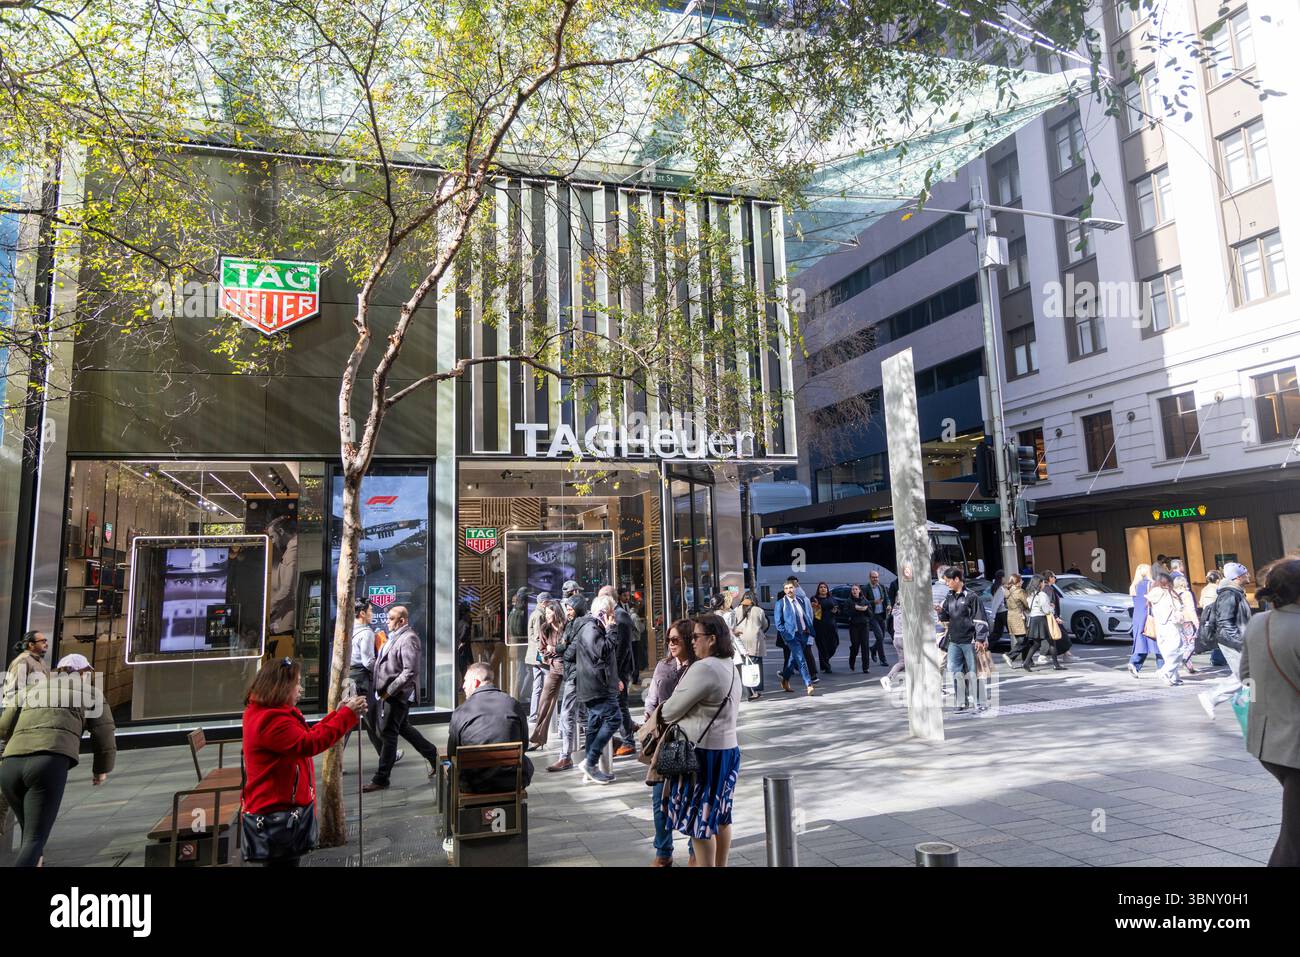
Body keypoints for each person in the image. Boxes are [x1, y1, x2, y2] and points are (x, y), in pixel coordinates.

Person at [239, 657, 364, 866]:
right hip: (277, 813)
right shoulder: (271, 720)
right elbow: (309, 743)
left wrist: (338, 714)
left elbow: (305, 735)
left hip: (279, 808)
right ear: (281, 686)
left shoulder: (269, 713)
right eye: (296, 682)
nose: (301, 688)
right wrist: (346, 716)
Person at [0, 653, 116, 867]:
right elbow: (104, 733)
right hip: (48, 764)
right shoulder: (90, 694)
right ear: (82, 674)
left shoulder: (31, 690)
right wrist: (101, 769)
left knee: (31, 834)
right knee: (35, 839)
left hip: (10, 765)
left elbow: (3, 727)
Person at [661, 613, 741, 867]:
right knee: (721, 816)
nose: (692, 642)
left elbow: (670, 710)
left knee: (700, 819)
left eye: (696, 637)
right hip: (728, 749)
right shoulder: (729, 664)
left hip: (703, 753)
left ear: (713, 639)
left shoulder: (704, 667)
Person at [1238, 558, 1300, 866]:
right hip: (1297, 746)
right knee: (1294, 842)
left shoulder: (1258, 623)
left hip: (1268, 743)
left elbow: (1245, 676)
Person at [364, 605, 441, 792]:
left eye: (390, 618)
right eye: (388, 617)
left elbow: (410, 671)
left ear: (402, 621)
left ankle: (382, 778)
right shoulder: (394, 637)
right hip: (389, 693)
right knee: (403, 729)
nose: (386, 621)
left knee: (388, 734)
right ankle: (435, 757)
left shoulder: (409, 638)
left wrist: (388, 691)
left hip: (397, 695)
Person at [643, 619, 695, 866]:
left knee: (691, 796)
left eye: (676, 640)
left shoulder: (698, 668)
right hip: (664, 741)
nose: (671, 644)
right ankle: (663, 851)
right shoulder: (663, 667)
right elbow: (652, 699)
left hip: (690, 740)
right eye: (669, 640)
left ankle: (695, 848)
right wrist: (649, 722)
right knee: (658, 798)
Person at [448, 662, 534, 792]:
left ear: (476, 682)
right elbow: (524, 744)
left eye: (465, 681)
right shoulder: (513, 704)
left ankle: (455, 811)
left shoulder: (461, 711)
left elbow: (452, 754)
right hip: (512, 781)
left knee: (450, 770)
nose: (463, 686)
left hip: (472, 784)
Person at [574, 594, 622, 785]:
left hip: (596, 684)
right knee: (614, 718)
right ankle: (591, 761)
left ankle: (590, 769)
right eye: (612, 613)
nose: (614, 617)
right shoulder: (591, 628)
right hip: (596, 686)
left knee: (594, 724)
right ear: (603, 613)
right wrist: (612, 629)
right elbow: (603, 651)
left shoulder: (592, 628)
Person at [1198, 562, 1253, 719]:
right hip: (1232, 641)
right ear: (1237, 577)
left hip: (1236, 640)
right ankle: (1213, 697)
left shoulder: (1236, 593)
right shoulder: (1229, 595)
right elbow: (1225, 623)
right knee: (1247, 675)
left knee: (1245, 674)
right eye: (1246, 573)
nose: (1249, 575)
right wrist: (1240, 643)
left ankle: (1249, 706)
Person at [937, 566, 989, 712]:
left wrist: (979, 638)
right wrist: (941, 612)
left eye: (948, 581)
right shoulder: (949, 596)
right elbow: (946, 617)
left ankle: (980, 702)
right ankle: (961, 702)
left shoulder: (971, 597)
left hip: (970, 640)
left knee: (973, 672)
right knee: (955, 671)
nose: (947, 584)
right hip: (954, 640)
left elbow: (980, 618)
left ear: (957, 579)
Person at [343, 600, 388, 761]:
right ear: (362, 613)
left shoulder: (348, 629)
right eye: (370, 610)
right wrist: (383, 668)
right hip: (362, 680)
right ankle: (386, 755)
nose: (373, 614)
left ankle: (336, 758)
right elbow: (368, 661)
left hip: (348, 678)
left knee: (346, 719)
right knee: (374, 719)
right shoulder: (367, 633)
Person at [546, 595, 587, 772]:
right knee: (582, 715)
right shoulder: (573, 624)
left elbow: (570, 651)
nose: (568, 612)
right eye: (567, 609)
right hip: (574, 674)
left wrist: (557, 648)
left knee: (567, 714)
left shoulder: (582, 624)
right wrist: (563, 646)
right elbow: (566, 644)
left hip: (577, 674)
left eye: (570, 609)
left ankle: (565, 756)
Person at [599, 585, 639, 757]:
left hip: (620, 670)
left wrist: (616, 675)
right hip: (616, 669)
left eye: (601, 597)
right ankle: (627, 732)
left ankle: (628, 741)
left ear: (609, 598)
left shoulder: (620, 616)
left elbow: (621, 649)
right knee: (618, 703)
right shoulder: (615, 614)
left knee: (620, 703)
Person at [528, 600, 566, 749]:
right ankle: (538, 738)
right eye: (546, 613)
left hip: (569, 667)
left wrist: (554, 648)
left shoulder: (566, 627)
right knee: (545, 700)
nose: (547, 615)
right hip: (555, 667)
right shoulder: (545, 628)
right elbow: (542, 648)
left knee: (577, 703)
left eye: (550, 613)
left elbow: (569, 647)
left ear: (556, 612)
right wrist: (550, 654)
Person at [774, 578, 817, 696]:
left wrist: (808, 630)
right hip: (791, 636)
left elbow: (806, 616)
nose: (789, 590)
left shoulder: (801, 600)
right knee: (801, 659)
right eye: (786, 588)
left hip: (803, 634)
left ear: (795, 588)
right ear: (784, 590)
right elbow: (778, 623)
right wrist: (787, 635)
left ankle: (785, 679)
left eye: (791, 588)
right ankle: (809, 684)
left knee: (793, 659)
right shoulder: (780, 603)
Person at [1146, 572, 1185, 686]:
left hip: (1159, 625)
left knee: (1168, 652)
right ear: (1166, 582)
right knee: (1178, 650)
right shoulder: (1166, 593)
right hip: (1171, 624)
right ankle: (1165, 672)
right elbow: (1176, 608)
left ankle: (1174, 677)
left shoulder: (1153, 593)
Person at [1127, 563, 1164, 677]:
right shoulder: (1151, 584)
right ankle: (1162, 669)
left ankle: (1134, 663)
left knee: (1141, 642)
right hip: (1150, 616)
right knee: (1158, 643)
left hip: (1138, 617)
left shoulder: (1133, 586)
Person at [731, 591, 767, 701]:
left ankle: (749, 690)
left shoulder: (736, 610)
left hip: (740, 641)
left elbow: (733, 624)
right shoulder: (759, 610)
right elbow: (764, 624)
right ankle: (755, 689)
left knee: (744, 667)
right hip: (755, 640)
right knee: (755, 665)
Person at [1025, 575, 1063, 672]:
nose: (1043, 584)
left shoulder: (1030, 594)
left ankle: (1026, 662)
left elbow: (1028, 608)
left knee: (1036, 643)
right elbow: (1046, 610)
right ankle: (1056, 665)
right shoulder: (1042, 595)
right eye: (1042, 582)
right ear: (1039, 583)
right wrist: (1052, 607)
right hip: (1042, 619)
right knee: (1051, 642)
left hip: (1033, 619)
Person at [1200, 570, 1231, 667]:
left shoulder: (1204, 589)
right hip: (1216, 615)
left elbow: (1201, 603)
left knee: (1213, 636)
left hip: (1206, 616)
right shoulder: (1218, 589)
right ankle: (1218, 658)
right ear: (1217, 580)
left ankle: (1215, 657)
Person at [1001, 574, 1032, 669]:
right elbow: (1027, 604)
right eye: (1021, 580)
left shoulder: (1007, 592)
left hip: (1010, 616)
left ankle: (1027, 661)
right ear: (1017, 583)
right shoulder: (1019, 592)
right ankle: (1010, 656)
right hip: (1019, 617)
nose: (1022, 582)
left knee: (1023, 639)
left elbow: (1006, 605)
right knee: (1022, 640)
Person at [1173, 575, 1201, 674]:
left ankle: (1189, 666)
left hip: (1178, 620)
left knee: (1184, 643)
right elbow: (1191, 609)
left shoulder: (1173, 594)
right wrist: (1196, 622)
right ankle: (1185, 658)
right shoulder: (1186, 594)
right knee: (1192, 642)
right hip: (1187, 620)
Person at [864, 570, 891, 665]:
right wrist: (873, 602)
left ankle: (873, 648)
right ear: (870, 578)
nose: (875, 579)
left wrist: (888, 605)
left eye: (876, 577)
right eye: (873, 577)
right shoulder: (866, 588)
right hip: (872, 616)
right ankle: (883, 660)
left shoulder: (882, 587)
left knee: (882, 637)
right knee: (879, 636)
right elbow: (863, 602)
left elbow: (887, 598)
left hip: (881, 615)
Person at [811, 582, 839, 672]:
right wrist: (815, 606)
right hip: (819, 625)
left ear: (827, 589)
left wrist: (836, 611)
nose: (823, 589)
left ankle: (825, 660)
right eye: (821, 587)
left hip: (831, 625)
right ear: (818, 589)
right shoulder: (815, 599)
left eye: (824, 587)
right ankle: (826, 666)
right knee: (822, 646)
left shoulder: (832, 598)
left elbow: (838, 610)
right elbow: (815, 609)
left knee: (834, 644)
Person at [847, 584, 872, 673]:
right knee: (855, 646)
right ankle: (852, 660)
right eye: (853, 589)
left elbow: (870, 614)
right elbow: (846, 613)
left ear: (859, 591)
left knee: (865, 646)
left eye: (856, 589)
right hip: (854, 626)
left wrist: (865, 609)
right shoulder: (849, 601)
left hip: (864, 626)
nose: (854, 591)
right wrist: (855, 608)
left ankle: (866, 667)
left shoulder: (865, 600)